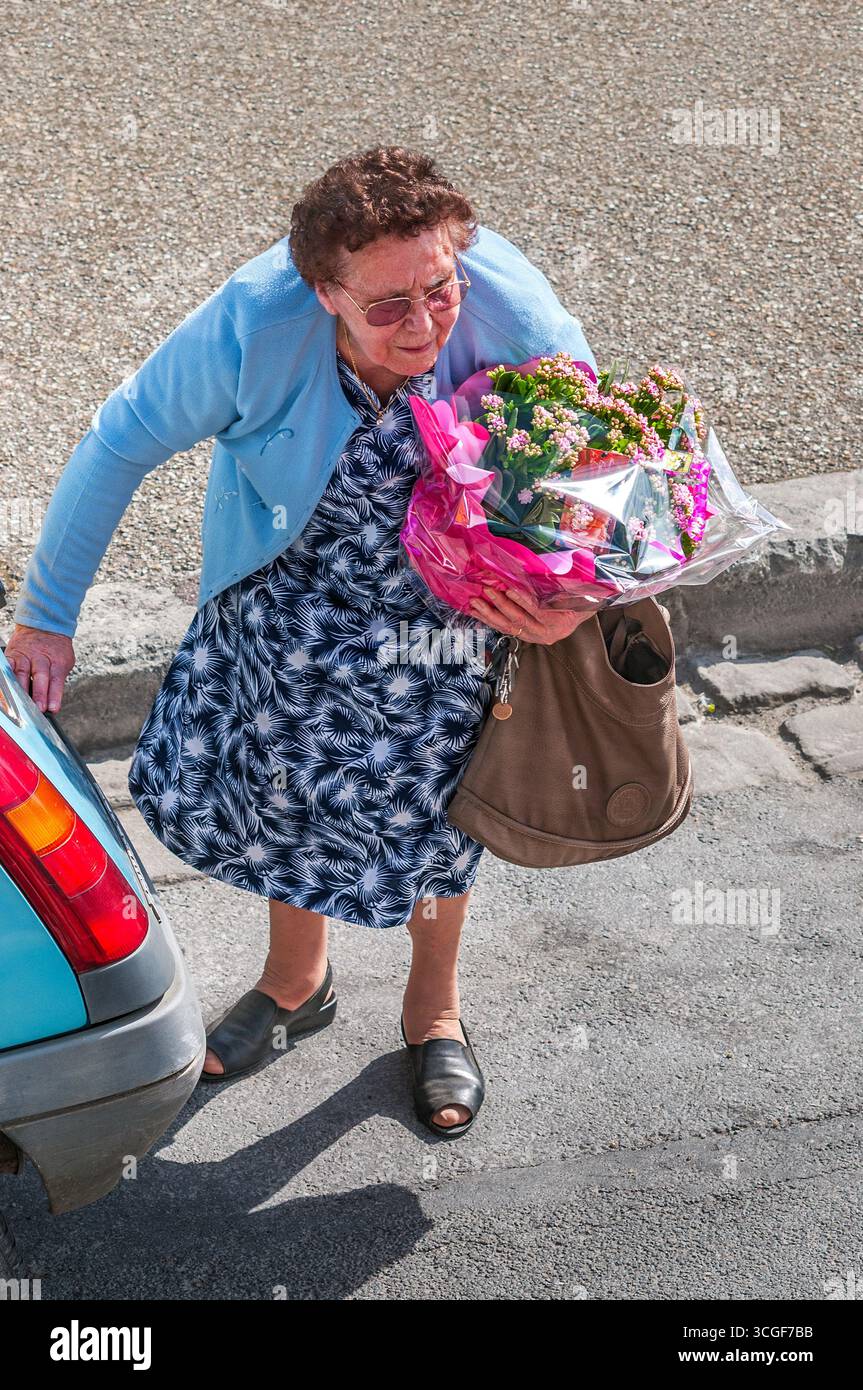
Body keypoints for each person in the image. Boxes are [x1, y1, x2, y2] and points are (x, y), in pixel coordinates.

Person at [5, 145, 596, 1138]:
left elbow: (594, 475)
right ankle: (294, 981)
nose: (421, 324)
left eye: (437, 290)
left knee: (441, 811)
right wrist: (48, 614)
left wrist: (571, 598)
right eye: (386, 307)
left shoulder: (516, 317)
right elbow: (122, 438)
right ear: (322, 291)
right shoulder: (251, 323)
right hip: (290, 602)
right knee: (286, 790)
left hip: (447, 619)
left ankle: (432, 1008)